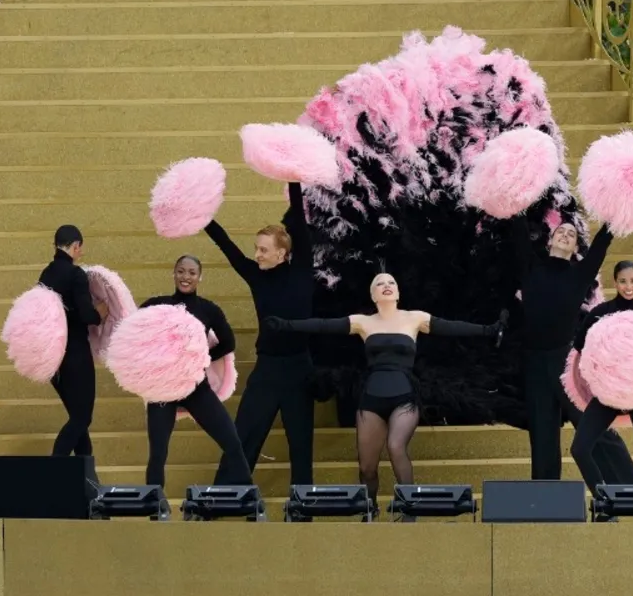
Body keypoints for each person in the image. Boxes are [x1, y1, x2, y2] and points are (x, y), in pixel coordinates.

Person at [267, 272, 506, 520]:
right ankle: (370, 510)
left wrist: (489, 330)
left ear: (398, 292)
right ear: (373, 295)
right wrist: (286, 325)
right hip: (372, 398)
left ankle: (409, 508)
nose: (386, 286)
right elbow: (323, 325)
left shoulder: (415, 319)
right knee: (367, 467)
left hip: (404, 395)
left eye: (391, 282)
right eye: (380, 284)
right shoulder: (363, 322)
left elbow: (452, 327)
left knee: (395, 445)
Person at [513, 215, 633, 484]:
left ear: (575, 250)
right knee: (542, 436)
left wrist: (616, 210)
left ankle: (632, 493)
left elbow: (602, 242)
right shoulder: (530, 266)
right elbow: (517, 226)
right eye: (561, 231)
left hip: (566, 364)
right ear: (550, 240)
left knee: (595, 428)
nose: (566, 235)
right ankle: (546, 499)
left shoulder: (579, 273)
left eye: (572, 235)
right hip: (534, 363)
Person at [207, 183, 316, 488]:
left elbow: (299, 216)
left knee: (301, 443)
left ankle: (302, 506)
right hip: (267, 368)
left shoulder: (302, 268)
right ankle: (224, 498)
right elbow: (226, 246)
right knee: (244, 434)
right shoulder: (256, 275)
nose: (257, 254)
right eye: (256, 248)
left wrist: (292, 177)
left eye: (263, 249)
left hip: (299, 369)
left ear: (282, 253)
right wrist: (202, 217)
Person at [138, 255, 252, 488]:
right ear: (174, 273)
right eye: (181, 271)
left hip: (196, 388)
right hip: (164, 390)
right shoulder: (155, 305)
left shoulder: (209, 309)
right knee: (158, 453)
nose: (185, 277)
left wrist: (199, 360)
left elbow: (228, 343)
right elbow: (134, 336)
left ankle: (248, 497)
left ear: (200, 277)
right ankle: (153, 510)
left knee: (232, 441)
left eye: (191, 273)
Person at [569, 261, 633, 493]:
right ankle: (604, 501)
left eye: (632, 281)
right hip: (608, 393)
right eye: (623, 281)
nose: (628, 286)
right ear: (614, 283)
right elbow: (580, 348)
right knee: (579, 449)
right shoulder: (600, 314)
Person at [38, 225, 108, 460]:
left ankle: (87, 478)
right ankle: (56, 467)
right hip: (76, 354)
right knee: (82, 418)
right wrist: (101, 312)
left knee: (78, 420)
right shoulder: (76, 275)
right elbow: (87, 316)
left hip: (53, 359)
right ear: (76, 246)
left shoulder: (46, 275)